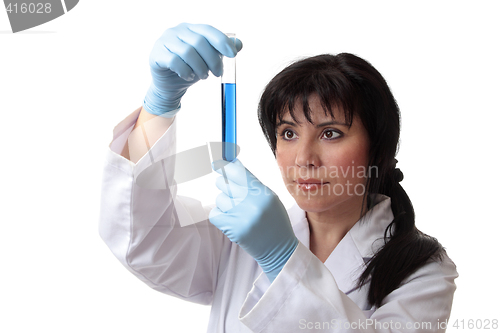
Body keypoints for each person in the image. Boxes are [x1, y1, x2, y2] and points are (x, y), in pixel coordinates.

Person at [99, 23, 458, 332]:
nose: (304, 159)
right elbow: (142, 241)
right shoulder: (237, 239)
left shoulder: (423, 271)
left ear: (377, 147)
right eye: (288, 133)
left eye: (330, 133)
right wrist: (159, 106)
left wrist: (281, 259)